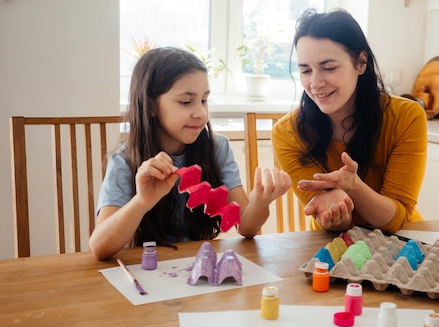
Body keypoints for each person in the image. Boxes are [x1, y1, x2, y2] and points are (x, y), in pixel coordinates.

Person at [89, 47, 291, 261]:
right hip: (148, 269)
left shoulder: (218, 148)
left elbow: (246, 228)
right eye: (186, 102)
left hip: (201, 267)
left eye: (204, 100)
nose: (201, 113)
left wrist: (259, 203)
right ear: (151, 106)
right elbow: (100, 247)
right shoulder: (125, 160)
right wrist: (142, 201)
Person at [272, 8, 426, 234]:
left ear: (361, 62)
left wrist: (353, 187)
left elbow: (396, 220)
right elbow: (327, 212)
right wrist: (337, 217)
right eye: (306, 71)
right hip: (332, 243)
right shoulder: (287, 132)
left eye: (329, 68)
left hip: (404, 242)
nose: (315, 83)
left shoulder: (406, 116)